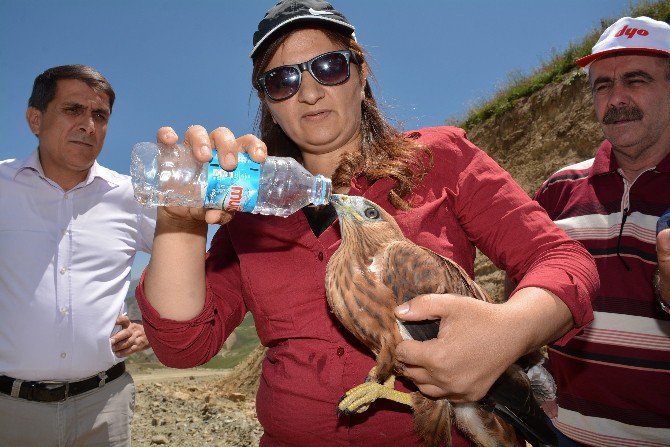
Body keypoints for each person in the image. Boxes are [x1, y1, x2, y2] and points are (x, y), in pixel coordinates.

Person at [135, 1, 598, 445]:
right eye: (282, 80)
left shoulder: (440, 158)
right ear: (266, 101)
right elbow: (185, 347)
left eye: (329, 67)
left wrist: (506, 331)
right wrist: (179, 222)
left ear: (360, 74)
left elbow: (563, 260)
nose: (310, 92)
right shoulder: (250, 212)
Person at [496, 16, 670, 446]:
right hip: (564, 433)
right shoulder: (557, 189)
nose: (617, 98)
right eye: (602, 86)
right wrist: (531, 372)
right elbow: (518, 286)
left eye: (636, 80)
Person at [0, 65, 156, 446]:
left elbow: (196, 265)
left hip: (104, 408)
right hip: (9, 411)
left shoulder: (132, 196)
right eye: (73, 110)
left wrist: (153, 327)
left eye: (100, 115)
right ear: (35, 119)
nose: (89, 124)